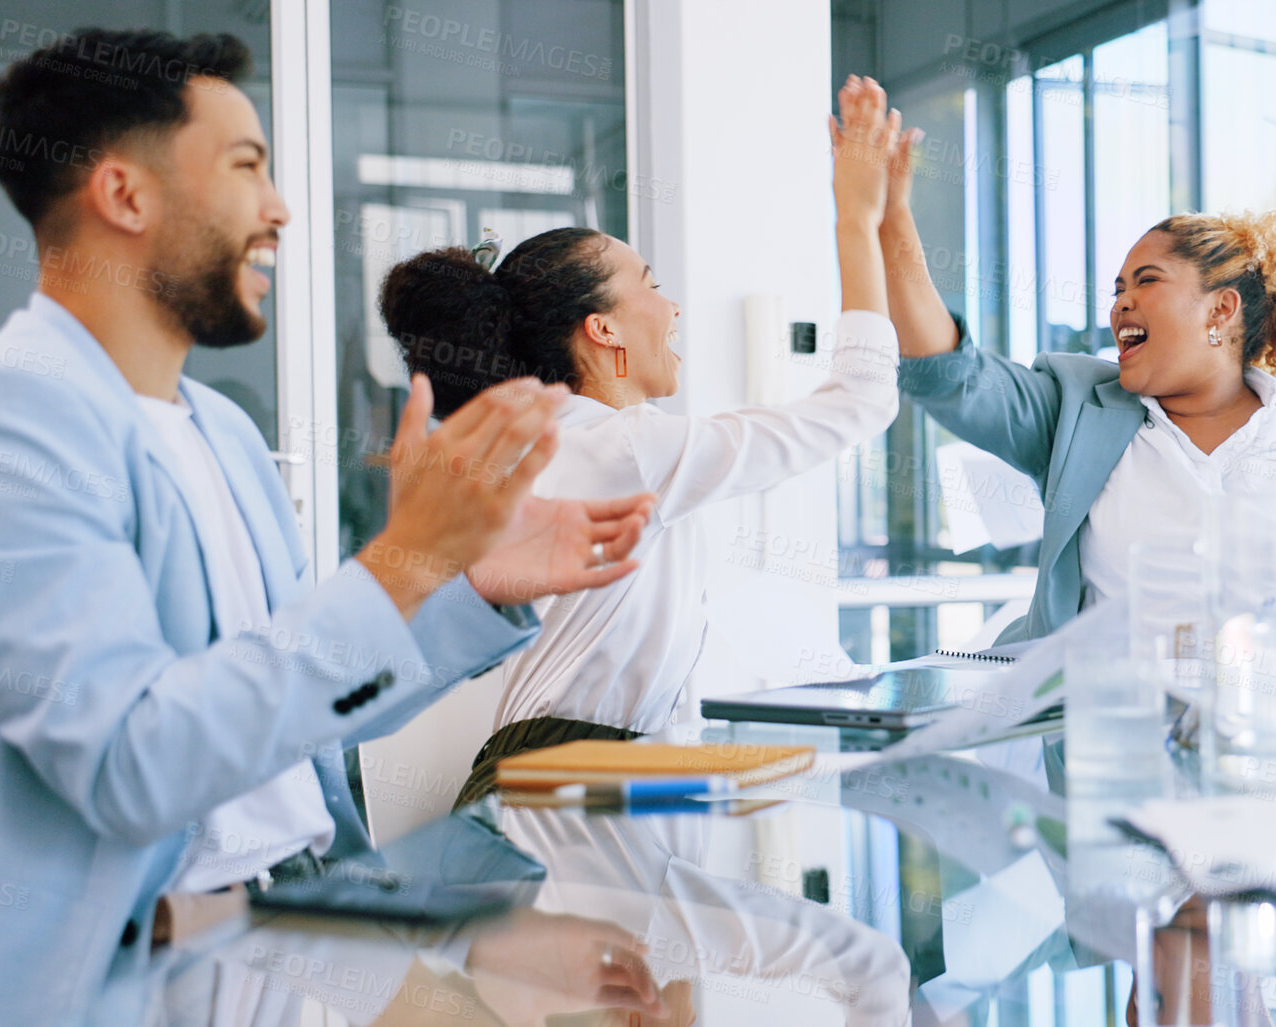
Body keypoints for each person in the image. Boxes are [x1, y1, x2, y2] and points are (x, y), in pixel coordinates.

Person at [0, 30, 655, 1023]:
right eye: (246, 167)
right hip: (163, 963)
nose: (278, 208)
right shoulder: (15, 420)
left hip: (305, 914)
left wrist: (457, 585)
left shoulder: (221, 431)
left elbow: (297, 701)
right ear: (126, 196)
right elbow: (134, 763)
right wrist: (399, 563)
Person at [378, 75, 904, 804]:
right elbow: (862, 400)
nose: (675, 306)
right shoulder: (625, 446)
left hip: (555, 767)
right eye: (651, 284)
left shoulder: (563, 442)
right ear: (604, 330)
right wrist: (859, 217)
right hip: (563, 771)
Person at [874, 125, 1276, 657]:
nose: (1121, 301)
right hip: (1124, 751)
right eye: (1119, 287)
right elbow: (949, 373)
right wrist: (887, 217)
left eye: (1147, 281)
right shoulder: (1072, 416)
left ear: (1220, 309)